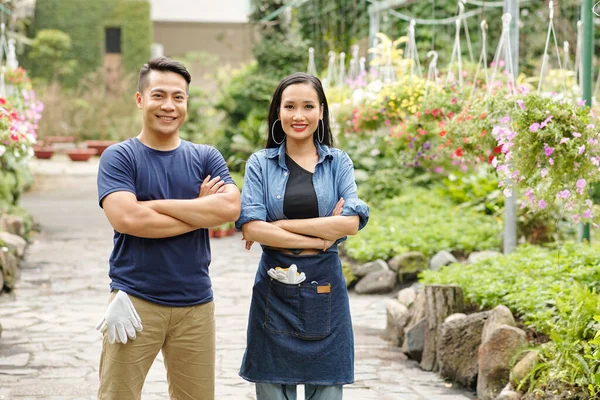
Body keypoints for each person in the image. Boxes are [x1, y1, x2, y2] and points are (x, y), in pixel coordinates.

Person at [95, 57, 240, 400]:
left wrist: (152, 205)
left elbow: (230, 208)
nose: (169, 106)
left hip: (196, 306)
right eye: (159, 95)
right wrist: (200, 210)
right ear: (140, 99)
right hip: (134, 300)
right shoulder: (120, 157)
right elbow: (128, 219)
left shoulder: (206, 157)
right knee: (118, 396)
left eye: (179, 97)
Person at [236, 72, 369, 400]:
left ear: (321, 111)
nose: (299, 115)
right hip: (273, 289)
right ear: (277, 112)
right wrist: (321, 236)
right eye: (290, 106)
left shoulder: (338, 162)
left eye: (308, 106)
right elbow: (251, 227)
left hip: (325, 287)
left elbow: (351, 223)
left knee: (327, 388)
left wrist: (280, 227)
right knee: (269, 384)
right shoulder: (260, 165)